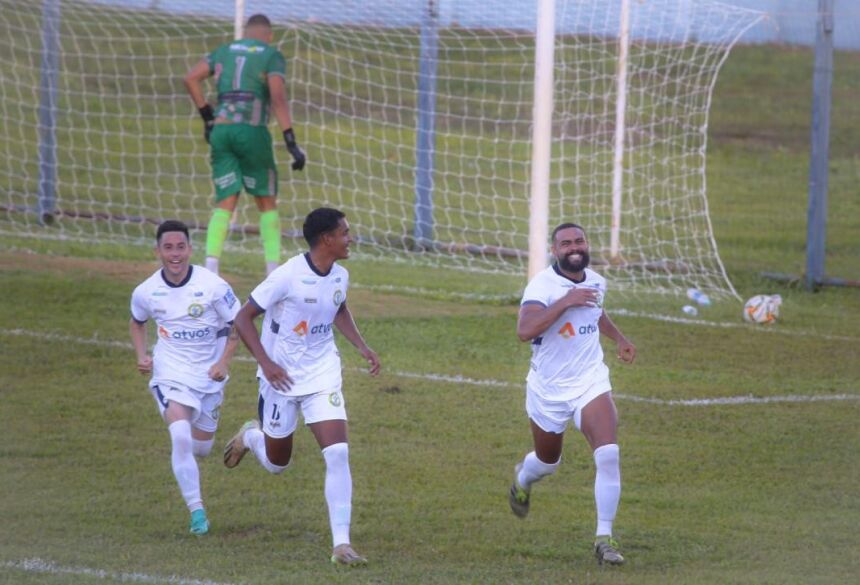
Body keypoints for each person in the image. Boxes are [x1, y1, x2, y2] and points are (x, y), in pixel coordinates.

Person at [225, 207, 380, 566]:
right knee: (278, 464)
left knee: (338, 453)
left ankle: (342, 545)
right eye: (345, 232)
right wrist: (266, 363)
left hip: (322, 373)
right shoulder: (287, 276)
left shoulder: (340, 275)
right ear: (327, 239)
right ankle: (251, 436)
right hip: (281, 379)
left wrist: (362, 346)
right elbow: (244, 316)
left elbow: (338, 308)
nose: (350, 237)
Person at [508, 223, 636, 565]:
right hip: (548, 390)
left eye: (579, 241)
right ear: (555, 251)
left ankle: (604, 538)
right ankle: (523, 478)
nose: (573, 247)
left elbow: (596, 314)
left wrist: (620, 339)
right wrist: (566, 301)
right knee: (548, 463)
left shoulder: (596, 281)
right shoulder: (542, 286)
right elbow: (524, 330)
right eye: (565, 243)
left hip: (590, 381)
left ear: (587, 245)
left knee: (608, 453)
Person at [129, 220, 241, 535]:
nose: (175, 254)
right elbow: (137, 322)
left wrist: (224, 361)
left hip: (209, 377)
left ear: (190, 249)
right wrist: (141, 355)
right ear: (158, 251)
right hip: (170, 373)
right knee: (179, 435)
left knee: (201, 449)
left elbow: (240, 323)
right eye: (168, 247)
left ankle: (247, 437)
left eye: (181, 247)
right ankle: (197, 514)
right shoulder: (147, 291)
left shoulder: (214, 286)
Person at [183, 13, 306, 276]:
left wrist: (207, 117)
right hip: (252, 132)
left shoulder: (225, 50)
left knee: (225, 200)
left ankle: (211, 268)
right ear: (268, 35)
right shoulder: (271, 55)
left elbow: (191, 78)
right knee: (266, 203)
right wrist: (291, 141)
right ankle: (273, 270)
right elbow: (278, 98)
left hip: (221, 130)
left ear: (246, 33)